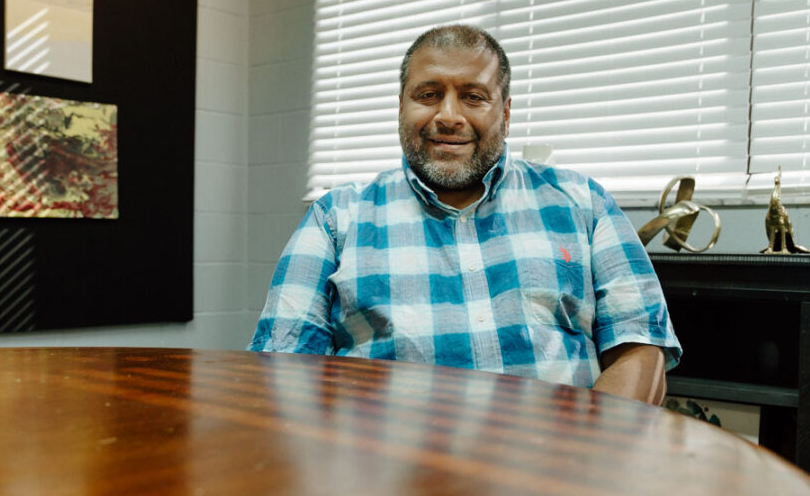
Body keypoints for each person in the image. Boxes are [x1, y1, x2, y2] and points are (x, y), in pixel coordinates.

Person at [248, 24, 680, 404]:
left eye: (473, 97)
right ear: (402, 107)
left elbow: (640, 348)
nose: (448, 116)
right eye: (428, 95)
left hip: (557, 475)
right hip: (383, 483)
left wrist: (590, 460)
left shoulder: (583, 202)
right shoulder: (335, 219)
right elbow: (283, 368)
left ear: (505, 114)